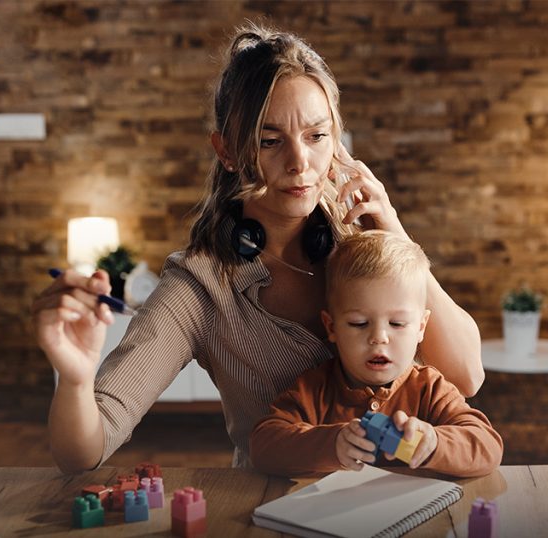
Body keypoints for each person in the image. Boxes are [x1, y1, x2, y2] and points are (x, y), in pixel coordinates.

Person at [31, 23, 484, 474]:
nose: (299, 162)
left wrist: (396, 236)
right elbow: (82, 452)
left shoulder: (364, 240)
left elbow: (467, 376)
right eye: (270, 141)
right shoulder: (199, 288)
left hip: (406, 497)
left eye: (317, 136)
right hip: (276, 504)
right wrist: (75, 378)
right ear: (227, 151)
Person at [250, 231, 502, 478]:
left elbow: (487, 446)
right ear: (331, 327)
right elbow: (264, 446)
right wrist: (332, 443)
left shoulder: (430, 389)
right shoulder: (314, 390)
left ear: (420, 328)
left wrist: (434, 443)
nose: (379, 337)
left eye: (397, 324)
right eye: (359, 323)